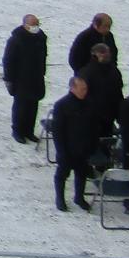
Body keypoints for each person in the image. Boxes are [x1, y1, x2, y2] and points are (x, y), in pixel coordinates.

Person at [49, 76, 96, 212]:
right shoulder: (62, 105)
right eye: (82, 89)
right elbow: (58, 131)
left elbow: (93, 127)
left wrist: (92, 145)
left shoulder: (89, 103)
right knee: (62, 174)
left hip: (83, 147)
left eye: (86, 89)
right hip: (68, 148)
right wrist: (61, 150)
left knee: (81, 173)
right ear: (73, 88)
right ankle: (60, 198)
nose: (85, 91)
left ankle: (79, 197)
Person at [2, 15, 47, 145]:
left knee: (33, 106)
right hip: (20, 79)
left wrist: (42, 72)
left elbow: (43, 56)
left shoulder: (41, 37)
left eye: (37, 24)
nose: (35, 27)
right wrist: (9, 79)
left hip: (36, 78)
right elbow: (8, 60)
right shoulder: (16, 40)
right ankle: (17, 131)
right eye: (33, 25)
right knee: (21, 107)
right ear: (25, 25)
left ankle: (29, 131)